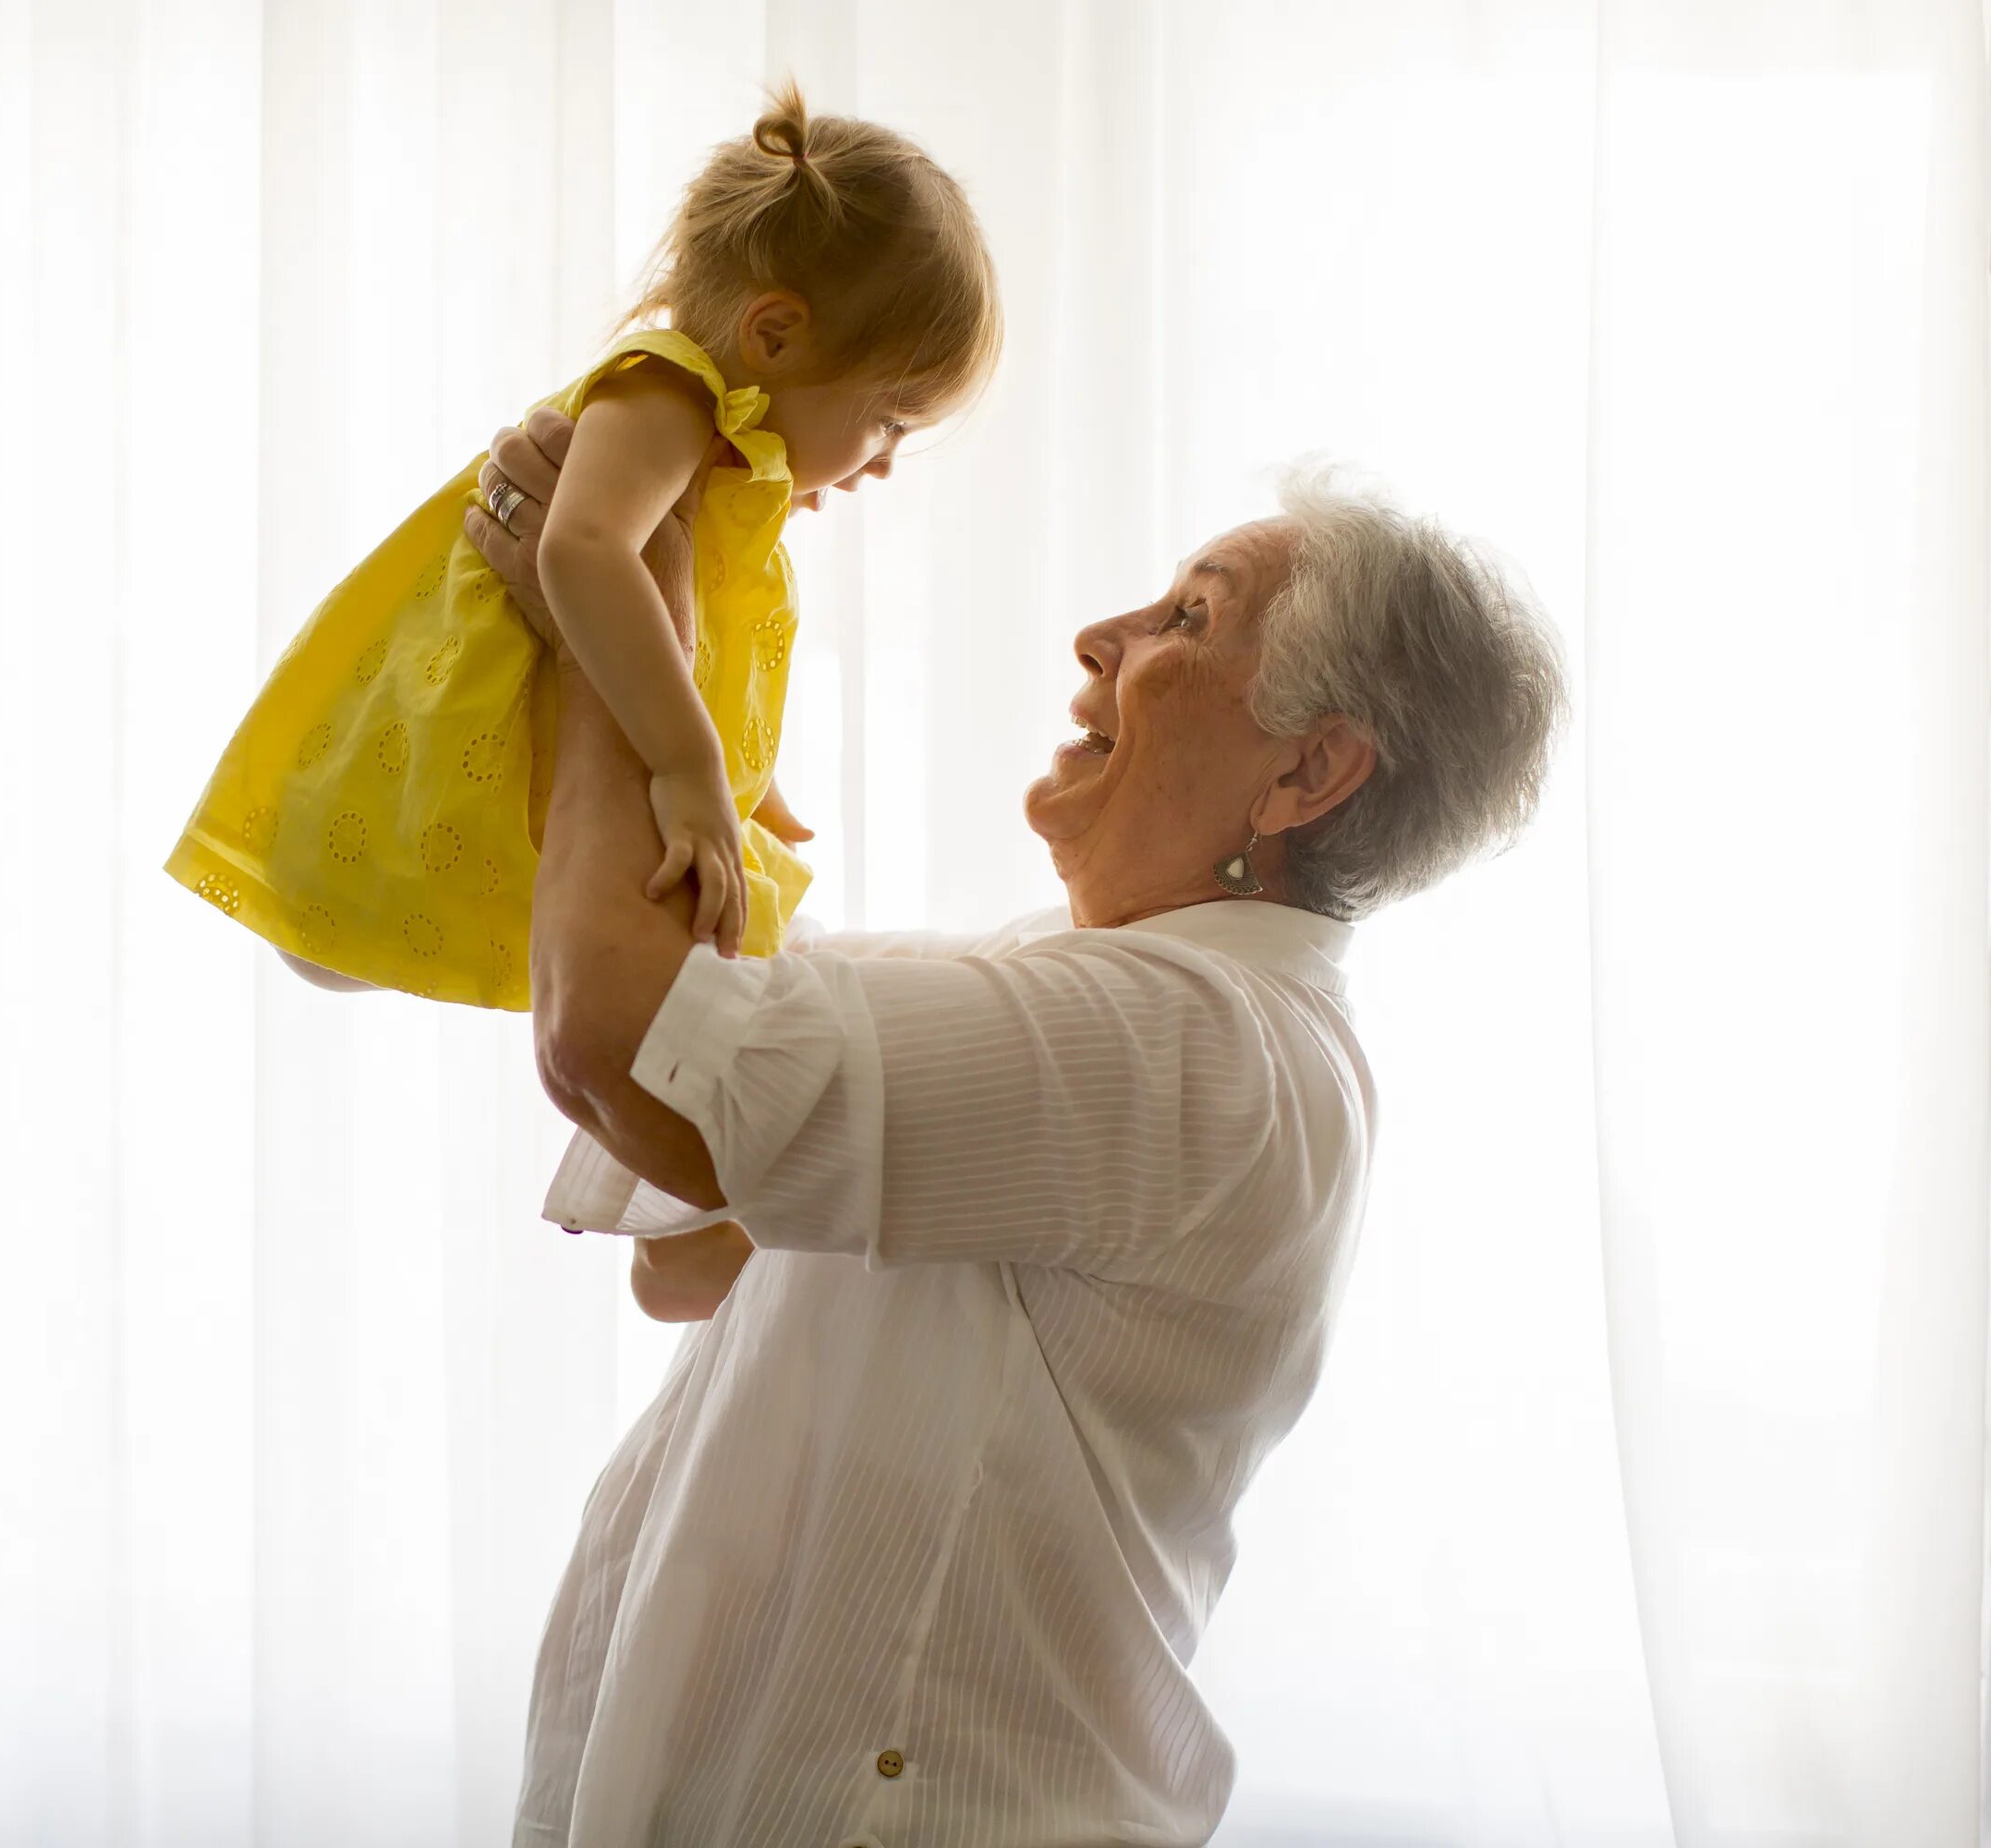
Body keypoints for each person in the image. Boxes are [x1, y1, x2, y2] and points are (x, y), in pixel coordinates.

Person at [460, 414, 1569, 1846]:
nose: (1098, 637)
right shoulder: (1060, 988)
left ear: (1307, 777)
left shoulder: (1197, 1043)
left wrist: (624, 623)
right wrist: (617, 626)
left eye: (1189, 619)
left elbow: (619, 1043)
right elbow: (683, 1255)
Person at [163, 84, 998, 1006]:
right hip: (474, 728)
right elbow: (583, 553)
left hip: (554, 745)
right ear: (773, 334)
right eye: (886, 419)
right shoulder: (666, 393)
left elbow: (692, 634)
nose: (882, 461)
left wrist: (750, 784)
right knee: (342, 933)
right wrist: (690, 764)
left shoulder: (724, 460)